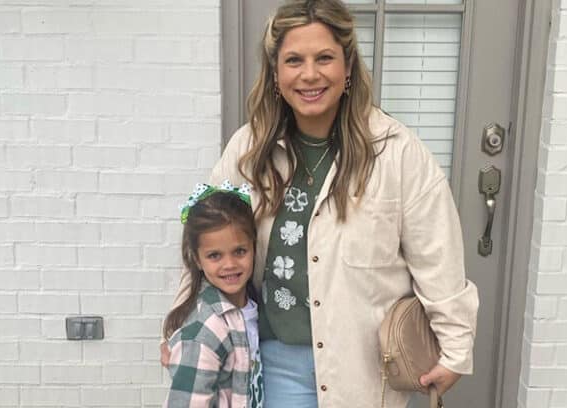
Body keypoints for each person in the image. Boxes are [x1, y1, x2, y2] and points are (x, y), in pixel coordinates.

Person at [164, 0, 479, 406]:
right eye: (294, 60)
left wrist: (455, 348)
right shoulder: (249, 148)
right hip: (275, 362)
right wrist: (178, 324)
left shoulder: (397, 153)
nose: (309, 74)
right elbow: (205, 237)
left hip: (364, 367)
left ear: (347, 67)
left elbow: (439, 257)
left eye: (324, 58)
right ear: (276, 72)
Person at [162, 183, 264, 408]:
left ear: (254, 248)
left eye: (240, 251)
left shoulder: (252, 307)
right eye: (215, 256)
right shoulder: (203, 331)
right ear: (197, 260)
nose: (230, 264)